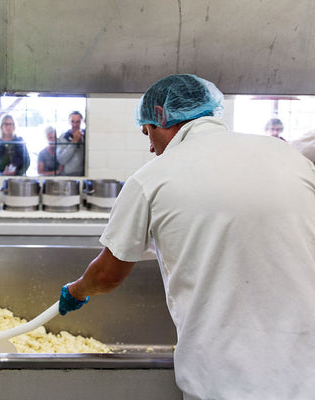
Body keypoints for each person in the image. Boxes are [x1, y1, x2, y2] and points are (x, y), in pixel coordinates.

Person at [58, 74, 315, 399]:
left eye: (147, 131)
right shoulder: (289, 157)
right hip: (306, 371)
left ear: (162, 118)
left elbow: (108, 275)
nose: (150, 146)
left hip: (223, 379)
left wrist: (76, 291)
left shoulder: (149, 179)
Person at [56, 111, 85, 175]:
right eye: (72, 122)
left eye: (78, 122)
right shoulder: (63, 138)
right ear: (69, 122)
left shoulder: (86, 136)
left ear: (81, 122)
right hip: (67, 175)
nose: (75, 125)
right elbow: (61, 160)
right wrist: (73, 142)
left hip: (83, 175)